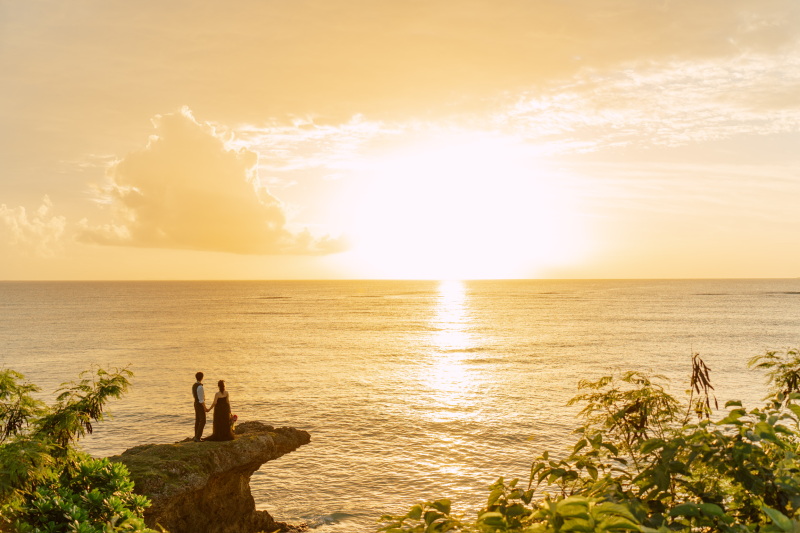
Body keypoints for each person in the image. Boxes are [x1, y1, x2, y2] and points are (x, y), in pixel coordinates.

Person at [192, 371, 206, 442]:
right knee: (203, 420)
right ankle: (198, 437)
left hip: (195, 403)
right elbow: (201, 400)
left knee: (197, 420)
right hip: (199, 404)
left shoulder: (194, 385)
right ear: (202, 378)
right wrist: (205, 407)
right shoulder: (200, 387)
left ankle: (196, 436)